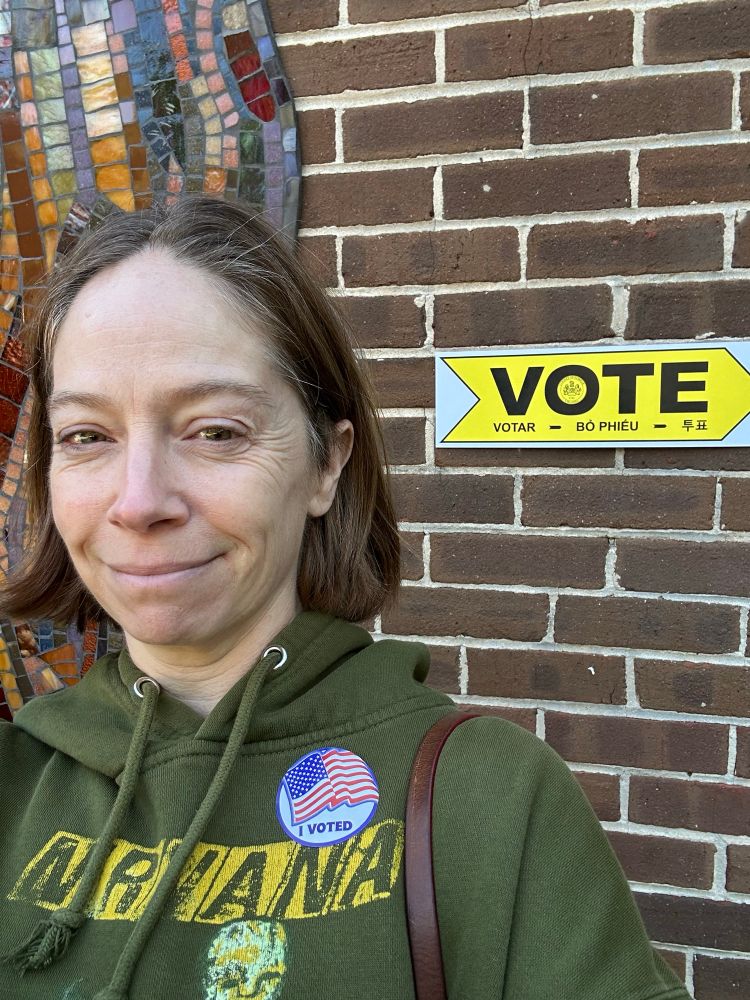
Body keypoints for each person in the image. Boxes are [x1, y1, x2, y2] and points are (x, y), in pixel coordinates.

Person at [0, 197, 691, 1000]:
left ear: (327, 464)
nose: (140, 499)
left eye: (217, 431)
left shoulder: (492, 803)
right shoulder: (16, 785)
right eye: (88, 436)